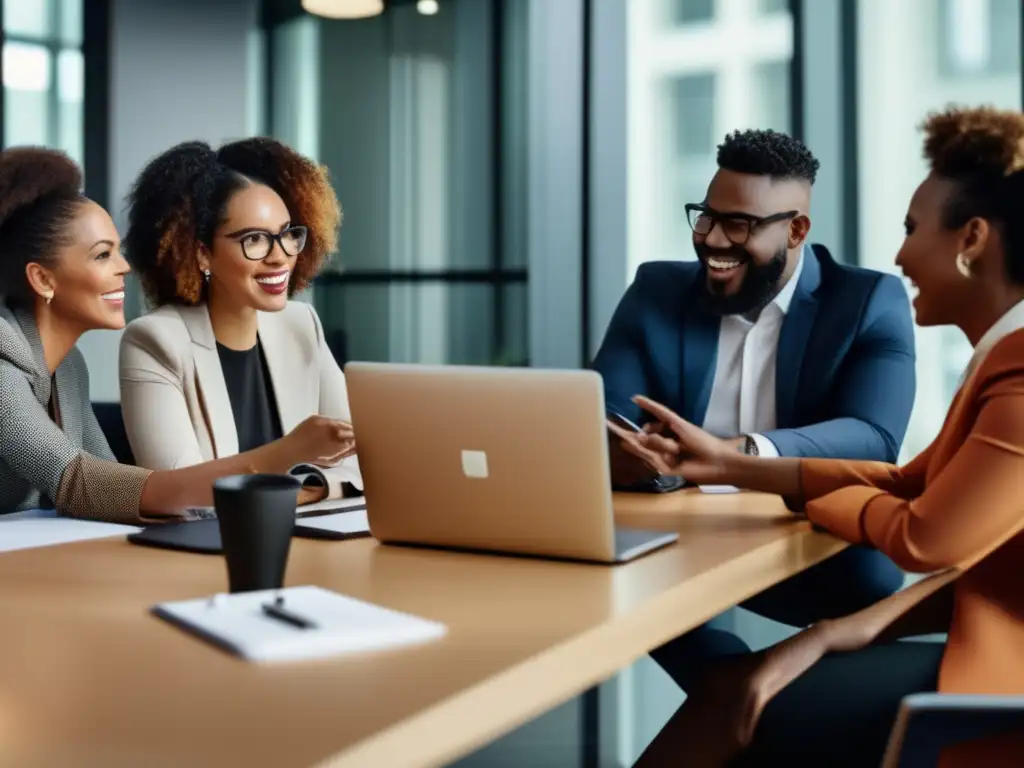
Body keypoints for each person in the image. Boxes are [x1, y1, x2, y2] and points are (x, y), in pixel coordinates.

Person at [617, 106, 1024, 767]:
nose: (898, 253)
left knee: (740, 704)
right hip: (977, 631)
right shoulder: (1004, 355)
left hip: (1001, 669)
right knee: (740, 696)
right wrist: (730, 462)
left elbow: (927, 536)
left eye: (911, 229)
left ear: (971, 239)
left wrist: (798, 493)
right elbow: (912, 487)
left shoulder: (1017, 363)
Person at [593, 128, 916, 692]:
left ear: (796, 231)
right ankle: (743, 702)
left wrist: (735, 456)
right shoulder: (657, 290)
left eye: (739, 224)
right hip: (673, 542)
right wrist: (624, 449)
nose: (713, 240)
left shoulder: (867, 302)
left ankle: (739, 708)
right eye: (706, 216)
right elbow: (603, 415)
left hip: (809, 547)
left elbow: (872, 435)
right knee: (626, 589)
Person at [0, 147, 356, 523]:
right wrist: (288, 452)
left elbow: (106, 484)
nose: (125, 268)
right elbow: (79, 483)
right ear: (42, 279)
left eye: (118, 251)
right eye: (103, 255)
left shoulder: (69, 368)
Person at [118, 138, 359, 498]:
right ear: (202, 254)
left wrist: (302, 494)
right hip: (209, 550)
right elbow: (179, 491)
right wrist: (292, 453)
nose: (280, 257)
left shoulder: (301, 325)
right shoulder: (154, 341)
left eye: (288, 235)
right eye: (255, 239)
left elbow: (361, 458)